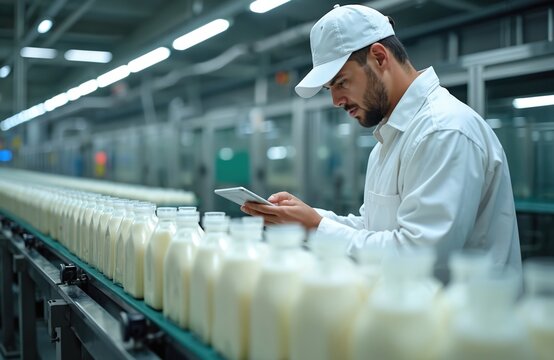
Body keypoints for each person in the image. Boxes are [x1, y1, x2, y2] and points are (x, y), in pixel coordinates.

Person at [241, 4, 522, 277]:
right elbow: (374, 230)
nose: (336, 100)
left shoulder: (442, 130)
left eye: (341, 82)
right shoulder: (389, 141)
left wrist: (318, 227)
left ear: (378, 57)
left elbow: (421, 258)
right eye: (330, 88)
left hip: (469, 319)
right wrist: (305, 218)